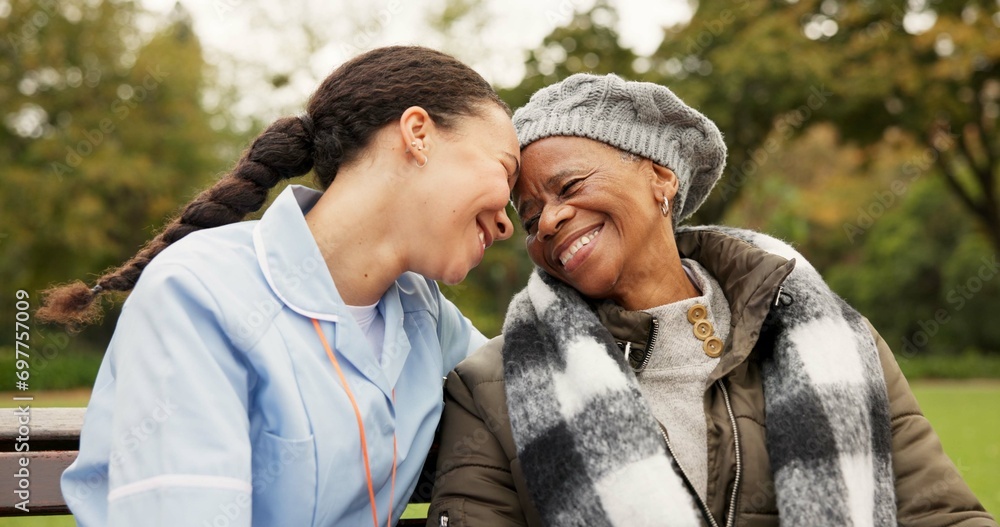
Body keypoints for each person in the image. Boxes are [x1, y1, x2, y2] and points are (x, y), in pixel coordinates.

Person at [427, 73, 997, 527]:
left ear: (660, 178)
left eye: (570, 188)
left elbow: (942, 515)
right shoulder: (488, 387)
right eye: (529, 219)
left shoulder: (838, 342)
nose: (549, 220)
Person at [36, 45, 521, 527]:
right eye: (505, 172)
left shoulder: (423, 312)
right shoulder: (198, 291)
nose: (508, 226)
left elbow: (529, 378)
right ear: (418, 135)